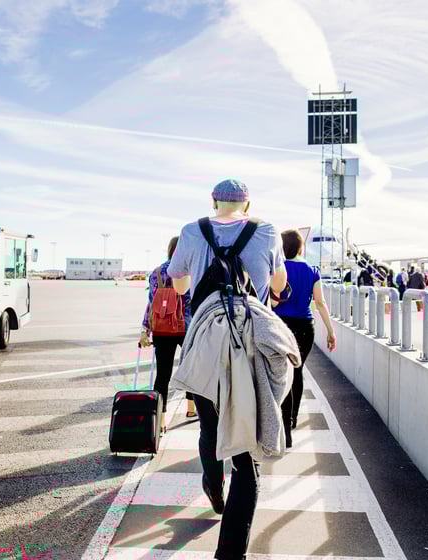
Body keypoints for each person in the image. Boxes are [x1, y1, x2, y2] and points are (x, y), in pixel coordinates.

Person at [167, 179, 289, 560]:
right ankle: (230, 553)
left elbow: (178, 282)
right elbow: (279, 282)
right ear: (247, 204)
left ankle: (212, 487)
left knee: (208, 424)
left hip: (204, 342)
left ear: (213, 202)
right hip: (248, 345)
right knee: (246, 455)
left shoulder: (191, 230)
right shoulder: (267, 231)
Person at [273, 230, 336, 448]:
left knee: (280, 373)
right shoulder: (312, 270)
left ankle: (282, 420)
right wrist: (330, 331)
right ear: (301, 247)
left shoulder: (279, 268)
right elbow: (320, 303)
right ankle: (293, 419)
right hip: (305, 327)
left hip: (281, 326)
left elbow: (270, 298)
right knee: (297, 372)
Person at [140, 236, 196, 423]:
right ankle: (190, 408)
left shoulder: (156, 272)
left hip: (162, 329)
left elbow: (151, 304)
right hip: (186, 327)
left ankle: (160, 419)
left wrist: (145, 330)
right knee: (191, 368)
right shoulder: (191, 272)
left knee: (162, 374)